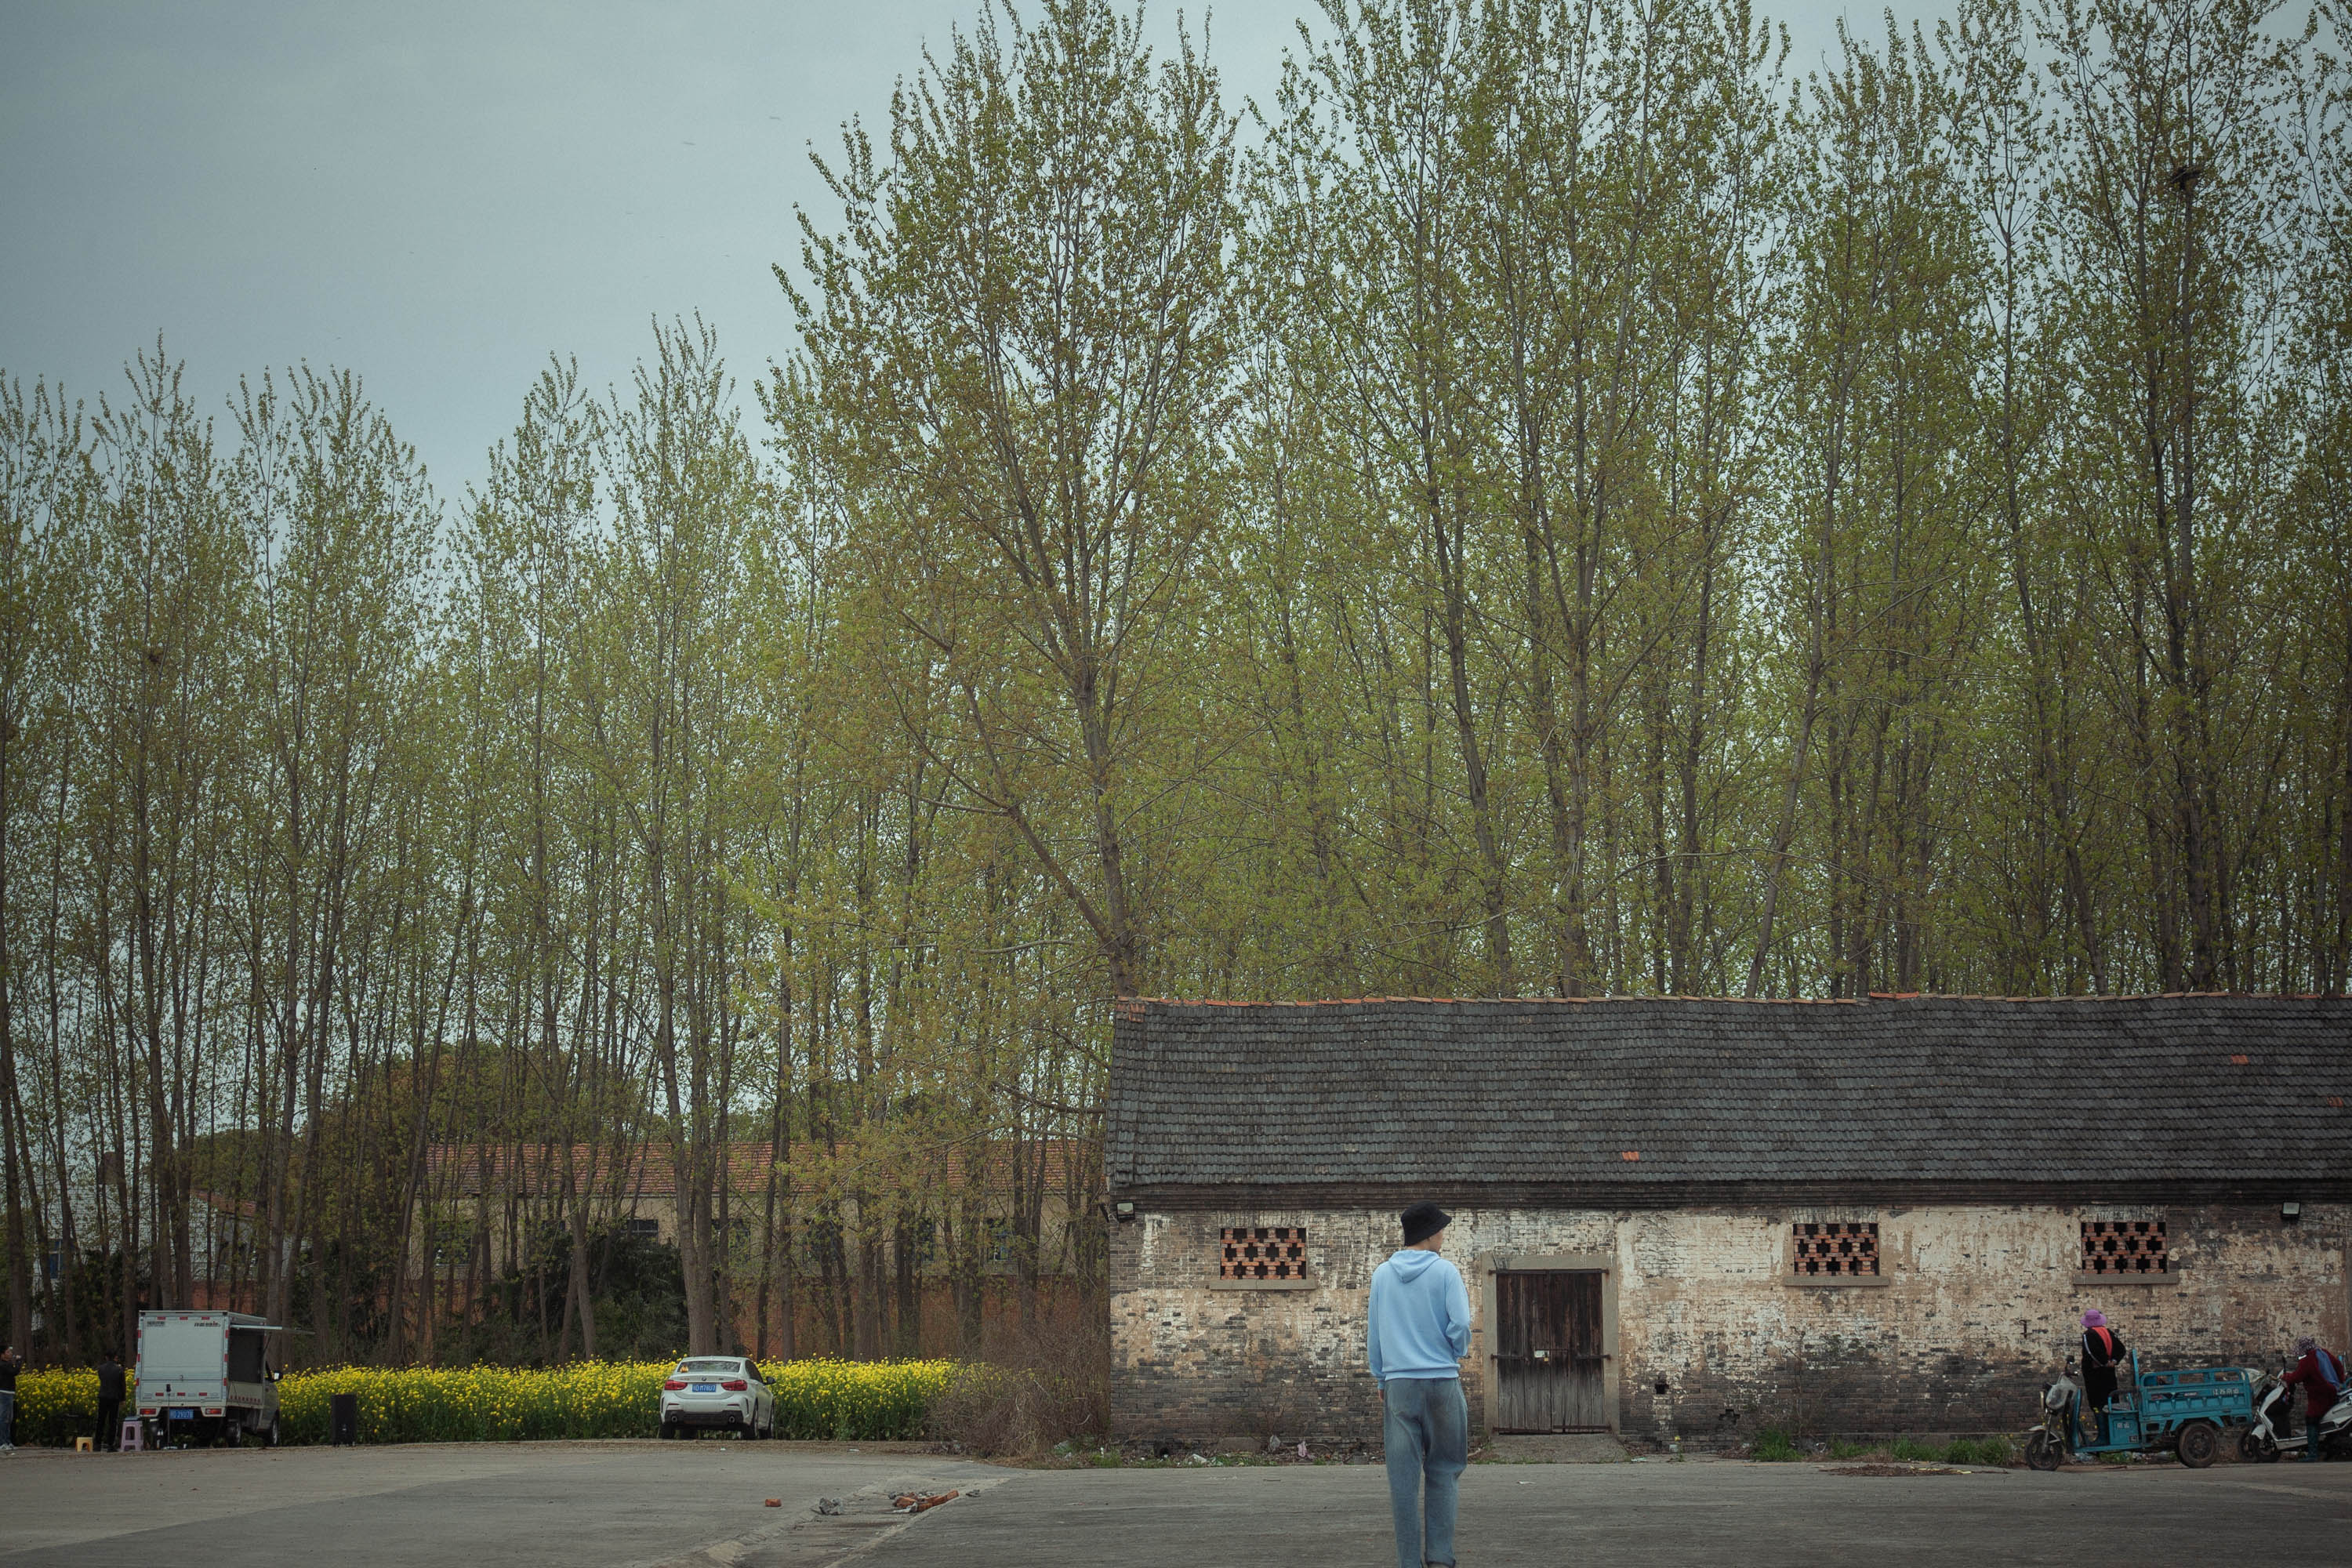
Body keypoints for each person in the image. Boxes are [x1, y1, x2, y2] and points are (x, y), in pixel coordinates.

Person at [1369, 1200, 1472, 1568]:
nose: (1443, 1234)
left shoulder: (1382, 1275)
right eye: (1441, 1229)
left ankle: (1409, 1562)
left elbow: (1375, 1334)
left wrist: (1381, 1376)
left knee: (1403, 1480)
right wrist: (1455, 1351)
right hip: (1442, 1382)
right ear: (1429, 1234)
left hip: (1399, 1384)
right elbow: (1461, 1323)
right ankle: (1440, 1558)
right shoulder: (1445, 1272)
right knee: (1444, 1470)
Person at [2281, 1334, 2343, 1461]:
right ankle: (2328, 1449)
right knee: (2324, 1421)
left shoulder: (2308, 1360)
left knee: (2311, 1419)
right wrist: (2339, 1381)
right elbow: (2338, 1365)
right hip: (2333, 1390)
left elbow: (2297, 1377)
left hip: (2320, 1395)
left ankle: (2313, 1454)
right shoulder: (2323, 1352)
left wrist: (2285, 1377)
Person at [2079, 1308, 2126, 1445]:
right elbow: (2121, 1349)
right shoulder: (2107, 1332)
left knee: (2097, 1404)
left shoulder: (2088, 1335)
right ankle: (2113, 1436)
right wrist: (2113, 1361)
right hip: (2109, 1375)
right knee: (2110, 1402)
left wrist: (2104, 1363)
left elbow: (2092, 1352)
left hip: (2095, 1376)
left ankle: (2103, 1437)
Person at [94, 1350, 126, 1452]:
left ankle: (97, 1444)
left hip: (103, 1396)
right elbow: (122, 1386)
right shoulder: (119, 1370)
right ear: (115, 1358)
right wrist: (123, 1399)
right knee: (113, 1421)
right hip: (114, 1398)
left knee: (101, 1421)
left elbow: (102, 1379)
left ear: (106, 1357)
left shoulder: (101, 1369)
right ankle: (110, 1445)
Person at [0, 1345, 18, 1454]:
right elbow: (14, 1372)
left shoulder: (8, 1364)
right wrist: (19, 1362)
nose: (10, 1353)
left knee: (9, 1419)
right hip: (4, 1393)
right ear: (2, 1355)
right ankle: (2, 1443)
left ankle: (8, 1441)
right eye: (8, 1352)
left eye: (10, 1352)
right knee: (4, 1418)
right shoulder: (3, 1365)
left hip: (10, 1392)